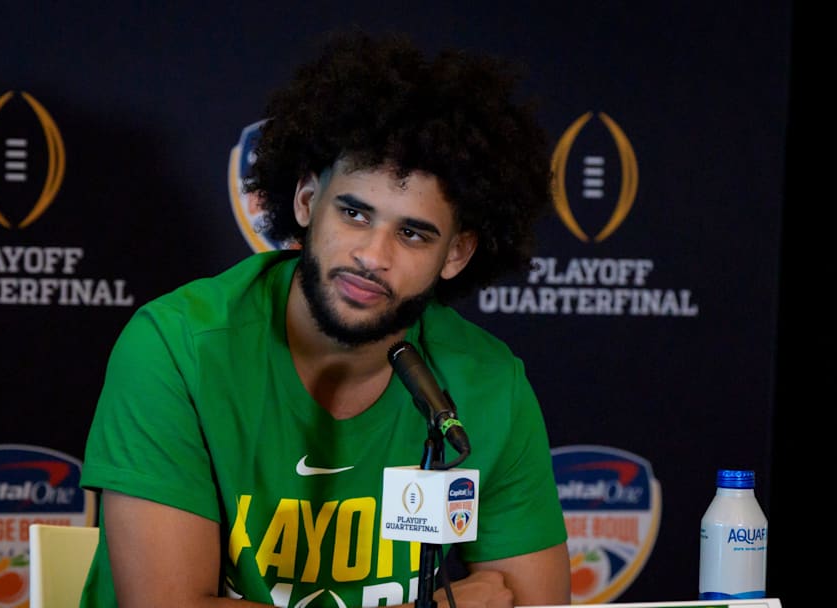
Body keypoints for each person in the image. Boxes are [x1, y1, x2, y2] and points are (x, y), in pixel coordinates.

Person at [78, 29, 570, 608]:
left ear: (456, 254)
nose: (372, 256)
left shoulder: (486, 385)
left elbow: (534, 604)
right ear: (307, 200)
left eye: (412, 233)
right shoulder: (177, 348)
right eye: (355, 213)